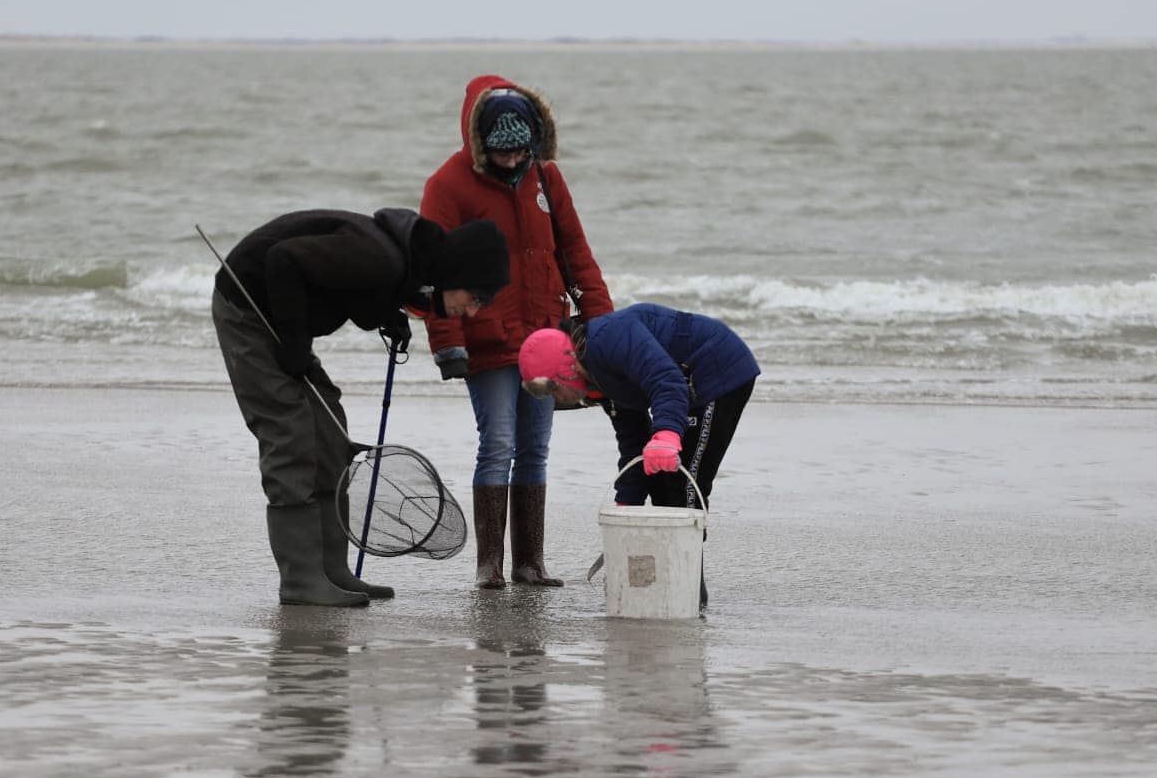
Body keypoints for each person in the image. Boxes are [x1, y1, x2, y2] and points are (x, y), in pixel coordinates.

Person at [211, 207, 509, 608]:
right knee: (291, 434)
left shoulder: (408, 266)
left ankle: (332, 571)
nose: (472, 311)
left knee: (331, 430)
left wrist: (390, 314)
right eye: (475, 298)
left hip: (278, 317)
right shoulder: (379, 258)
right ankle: (301, 582)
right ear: (456, 274)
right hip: (247, 309)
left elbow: (354, 288)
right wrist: (296, 345)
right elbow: (283, 260)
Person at [422, 75, 613, 590]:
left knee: (535, 447)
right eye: (502, 154)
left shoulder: (547, 177)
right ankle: (490, 567)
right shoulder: (447, 185)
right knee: (498, 443)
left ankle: (530, 563)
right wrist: (447, 343)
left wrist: (602, 324)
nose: (513, 163)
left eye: (521, 152)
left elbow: (576, 254)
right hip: (485, 341)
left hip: (544, 339)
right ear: (481, 144)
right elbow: (432, 271)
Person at [516, 304, 761, 608]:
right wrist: (626, 505)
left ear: (564, 371)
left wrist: (667, 434)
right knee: (661, 480)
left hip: (717, 370)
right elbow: (633, 444)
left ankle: (690, 595)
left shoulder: (610, 339)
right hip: (683, 385)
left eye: (552, 392)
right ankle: (673, 584)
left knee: (684, 485)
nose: (555, 401)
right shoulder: (598, 382)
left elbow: (666, 381)